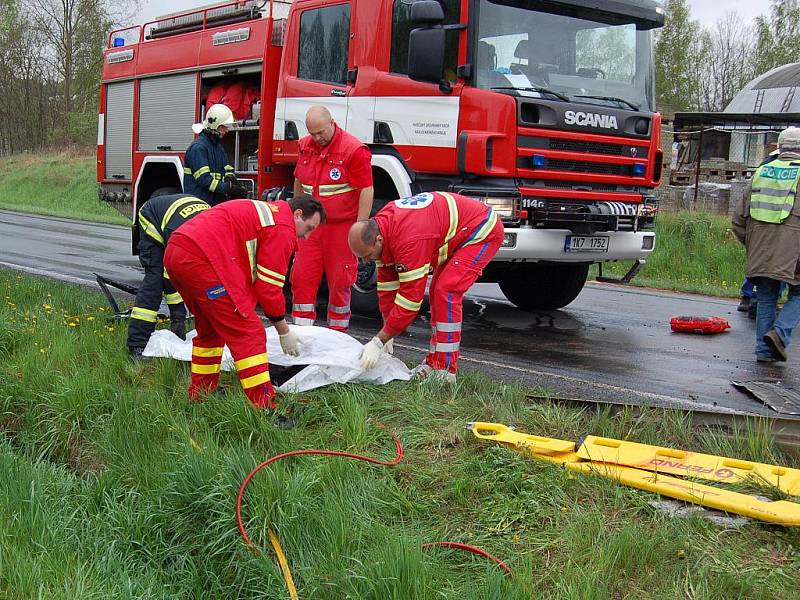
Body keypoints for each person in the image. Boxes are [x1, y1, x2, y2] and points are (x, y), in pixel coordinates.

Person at [163, 195, 325, 409]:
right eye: (310, 227)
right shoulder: (282, 227)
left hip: (177, 251)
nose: (307, 236)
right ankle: (265, 408)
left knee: (210, 332)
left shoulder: (266, 213)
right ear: (297, 214)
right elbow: (268, 289)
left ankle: (201, 397)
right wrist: (284, 331)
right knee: (249, 333)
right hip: (202, 259)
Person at [348, 191, 504, 382]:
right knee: (440, 290)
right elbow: (388, 289)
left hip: (481, 230)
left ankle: (445, 371)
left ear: (378, 240)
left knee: (445, 291)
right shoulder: (382, 231)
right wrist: (387, 330)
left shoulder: (408, 240)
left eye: (366, 255)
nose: (365, 261)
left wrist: (378, 341)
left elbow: (410, 302)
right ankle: (434, 363)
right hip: (459, 231)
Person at [290, 105, 374, 332]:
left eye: (321, 133)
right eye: (312, 133)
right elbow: (299, 179)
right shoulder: (305, 145)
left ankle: (337, 336)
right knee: (302, 277)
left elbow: (366, 189)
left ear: (332, 123)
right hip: (312, 226)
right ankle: (301, 333)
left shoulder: (353, 149)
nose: (317, 138)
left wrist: (360, 226)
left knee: (340, 281)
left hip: (342, 227)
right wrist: (297, 214)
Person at [732, 127, 800, 364]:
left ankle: (763, 350)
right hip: (794, 250)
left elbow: (738, 220)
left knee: (767, 296)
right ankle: (780, 333)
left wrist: (751, 244)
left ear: (780, 148)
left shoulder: (760, 173)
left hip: (761, 248)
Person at [127, 193, 210, 359]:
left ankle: (177, 323)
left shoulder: (214, 234)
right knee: (155, 280)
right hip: (152, 216)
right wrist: (178, 315)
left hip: (179, 214)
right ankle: (137, 344)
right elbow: (170, 274)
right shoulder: (183, 238)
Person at [184, 103, 248, 205]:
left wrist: (231, 179)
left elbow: (227, 168)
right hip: (199, 205)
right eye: (224, 127)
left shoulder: (218, 148)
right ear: (215, 125)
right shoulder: (198, 148)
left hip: (213, 205)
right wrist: (228, 188)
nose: (227, 130)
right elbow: (204, 180)